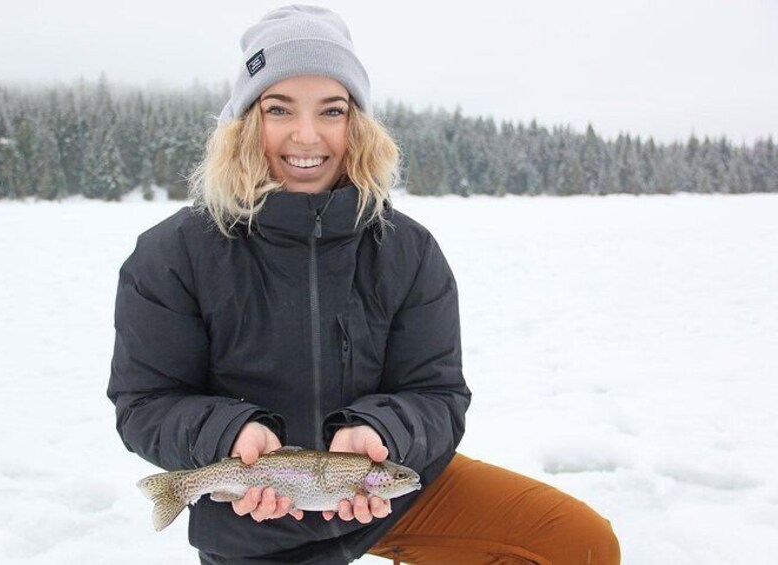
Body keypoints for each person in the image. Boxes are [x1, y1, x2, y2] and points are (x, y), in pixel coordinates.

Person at [108, 5, 620, 564]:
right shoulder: (172, 253)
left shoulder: (407, 248)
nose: (308, 136)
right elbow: (147, 404)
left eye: (333, 110)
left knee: (578, 543)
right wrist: (229, 435)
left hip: (389, 492)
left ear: (358, 125)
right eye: (280, 109)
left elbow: (437, 394)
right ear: (248, 121)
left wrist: (382, 434)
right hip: (253, 517)